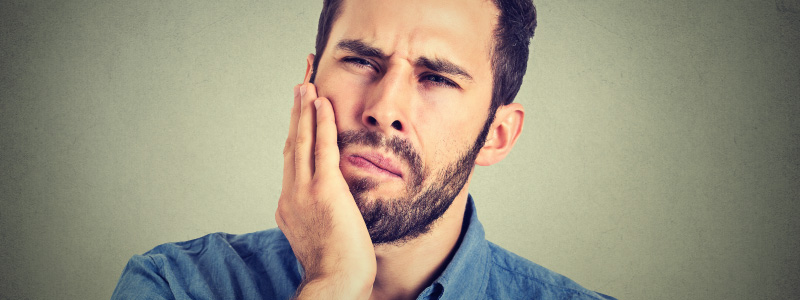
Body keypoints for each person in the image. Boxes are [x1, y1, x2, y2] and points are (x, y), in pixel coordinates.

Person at [112, 0, 615, 299]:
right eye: (360, 60)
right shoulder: (174, 286)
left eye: (436, 78)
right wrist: (334, 284)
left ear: (496, 134)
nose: (383, 108)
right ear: (309, 80)